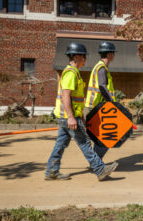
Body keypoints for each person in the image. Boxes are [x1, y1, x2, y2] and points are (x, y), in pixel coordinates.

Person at [45, 42, 118, 181]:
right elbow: (66, 96)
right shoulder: (71, 73)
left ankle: (51, 171)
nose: (85, 59)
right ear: (77, 57)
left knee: (60, 145)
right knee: (84, 143)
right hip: (67, 117)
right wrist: (72, 117)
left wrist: (79, 116)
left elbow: (74, 99)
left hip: (65, 116)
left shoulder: (73, 73)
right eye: (83, 56)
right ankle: (100, 169)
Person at [83, 41, 116, 159]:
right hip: (95, 109)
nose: (114, 56)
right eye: (113, 53)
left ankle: (96, 162)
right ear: (109, 54)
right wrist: (112, 103)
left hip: (95, 108)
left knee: (103, 138)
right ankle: (96, 163)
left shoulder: (99, 67)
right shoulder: (102, 68)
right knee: (108, 137)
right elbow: (102, 86)